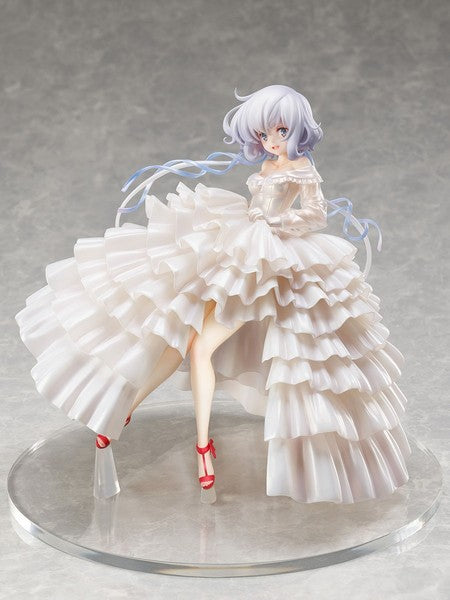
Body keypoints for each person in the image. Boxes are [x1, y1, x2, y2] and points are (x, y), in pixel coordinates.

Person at [15, 85, 411, 504]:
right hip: (239, 248)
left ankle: (203, 445)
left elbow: (316, 214)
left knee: (204, 348)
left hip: (267, 262)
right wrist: (255, 217)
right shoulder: (268, 167)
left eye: (280, 130)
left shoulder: (303, 170)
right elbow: (261, 204)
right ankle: (123, 412)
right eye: (264, 133)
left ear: (297, 128)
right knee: (177, 334)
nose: (272, 140)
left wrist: (277, 224)